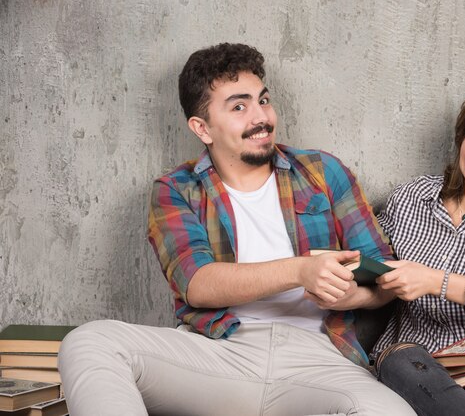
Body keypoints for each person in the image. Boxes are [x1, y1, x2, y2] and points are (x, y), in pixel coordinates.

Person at [57, 43, 415, 416]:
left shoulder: (324, 172)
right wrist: (299, 270)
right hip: (217, 352)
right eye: (239, 107)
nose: (260, 117)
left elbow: (385, 277)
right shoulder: (176, 190)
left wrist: (350, 299)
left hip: (318, 358)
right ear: (202, 128)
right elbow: (198, 284)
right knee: (90, 341)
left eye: (263, 100)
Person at [311, 87, 465, 415]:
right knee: (403, 359)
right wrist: (346, 282)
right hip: (412, 359)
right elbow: (370, 259)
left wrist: (438, 282)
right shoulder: (412, 198)